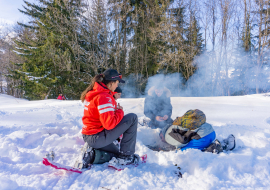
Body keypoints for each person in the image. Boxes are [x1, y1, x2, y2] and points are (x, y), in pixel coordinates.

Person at [78, 69, 139, 169]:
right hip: (96, 137)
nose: (117, 86)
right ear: (111, 82)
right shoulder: (104, 97)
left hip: (90, 135)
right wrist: (120, 112)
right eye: (117, 83)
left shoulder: (96, 92)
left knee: (116, 151)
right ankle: (126, 157)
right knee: (132, 118)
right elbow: (109, 124)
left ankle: (92, 154)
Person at [158, 109, 235, 153]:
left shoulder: (167, 135)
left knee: (182, 152)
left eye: (161, 138)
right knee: (195, 141)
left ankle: (215, 148)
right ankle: (224, 143)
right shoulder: (174, 124)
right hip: (211, 132)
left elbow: (182, 142)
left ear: (162, 134)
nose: (162, 140)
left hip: (202, 137)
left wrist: (172, 148)